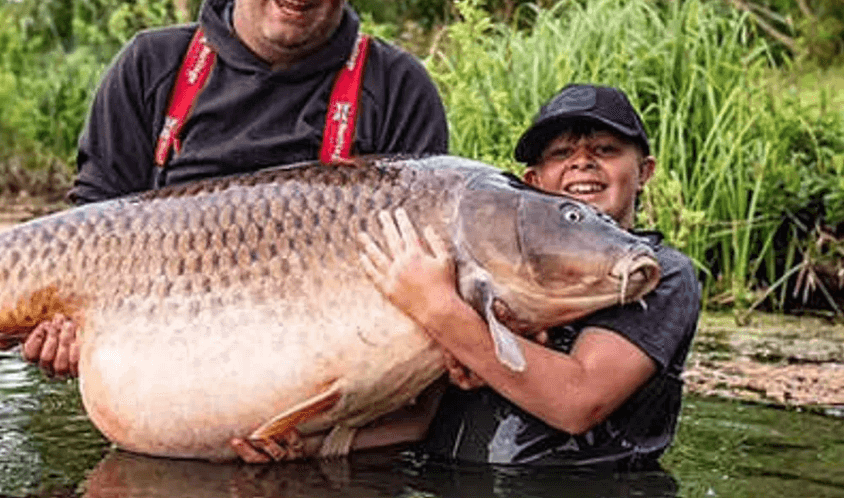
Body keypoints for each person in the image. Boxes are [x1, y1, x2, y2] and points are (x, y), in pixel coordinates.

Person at [0, 0, 448, 378]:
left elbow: (428, 275)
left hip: (332, 372)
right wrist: (64, 325)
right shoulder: (152, 65)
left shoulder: (398, 86)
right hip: (164, 364)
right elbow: (91, 227)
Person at [232, 84, 702, 469]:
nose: (582, 162)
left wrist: (438, 309)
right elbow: (429, 421)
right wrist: (315, 448)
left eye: (606, 149)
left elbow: (578, 402)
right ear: (532, 184)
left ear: (644, 172)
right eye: (562, 153)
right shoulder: (491, 286)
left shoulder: (664, 274)